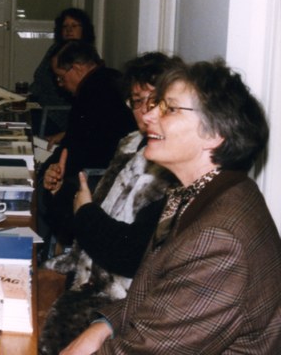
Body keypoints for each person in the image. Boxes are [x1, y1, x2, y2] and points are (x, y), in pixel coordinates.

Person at [62, 59, 281, 354]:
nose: (149, 115)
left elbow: (146, 350)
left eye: (169, 108)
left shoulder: (219, 239)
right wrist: (104, 325)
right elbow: (154, 294)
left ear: (214, 134)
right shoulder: (205, 192)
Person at [39, 52, 181, 354]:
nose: (145, 113)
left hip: (119, 304)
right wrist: (60, 192)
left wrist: (86, 211)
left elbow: (129, 254)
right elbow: (87, 225)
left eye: (153, 101)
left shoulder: (176, 167)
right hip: (87, 276)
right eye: (136, 102)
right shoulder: (131, 144)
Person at [39, 40, 137, 246]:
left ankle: (42, 247)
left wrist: (49, 167)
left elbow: (79, 148)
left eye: (61, 77)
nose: (60, 83)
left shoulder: (90, 92)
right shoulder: (112, 78)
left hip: (98, 175)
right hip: (112, 166)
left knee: (42, 185)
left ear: (77, 68)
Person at [29, 7, 96, 139]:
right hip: (41, 102)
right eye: (65, 26)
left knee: (26, 122)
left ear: (84, 29)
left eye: (74, 26)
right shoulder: (55, 49)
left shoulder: (86, 55)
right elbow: (39, 76)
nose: (68, 30)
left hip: (59, 112)